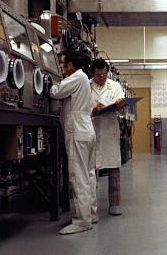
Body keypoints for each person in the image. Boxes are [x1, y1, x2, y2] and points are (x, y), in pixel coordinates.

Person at [50, 52, 97, 235]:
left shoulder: (77, 77)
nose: (62, 68)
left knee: (78, 176)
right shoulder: (85, 79)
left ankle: (82, 221)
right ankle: (91, 214)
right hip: (86, 130)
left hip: (78, 131)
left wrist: (50, 83)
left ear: (71, 65)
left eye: (63, 64)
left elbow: (56, 92)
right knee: (89, 174)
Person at [89, 58, 126, 216]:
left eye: (104, 74)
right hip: (92, 129)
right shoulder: (86, 86)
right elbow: (82, 108)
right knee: (91, 171)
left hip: (110, 130)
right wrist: (93, 110)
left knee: (113, 169)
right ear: (93, 74)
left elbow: (123, 112)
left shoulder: (115, 86)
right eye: (98, 75)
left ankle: (115, 204)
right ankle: (91, 207)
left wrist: (120, 106)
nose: (102, 77)